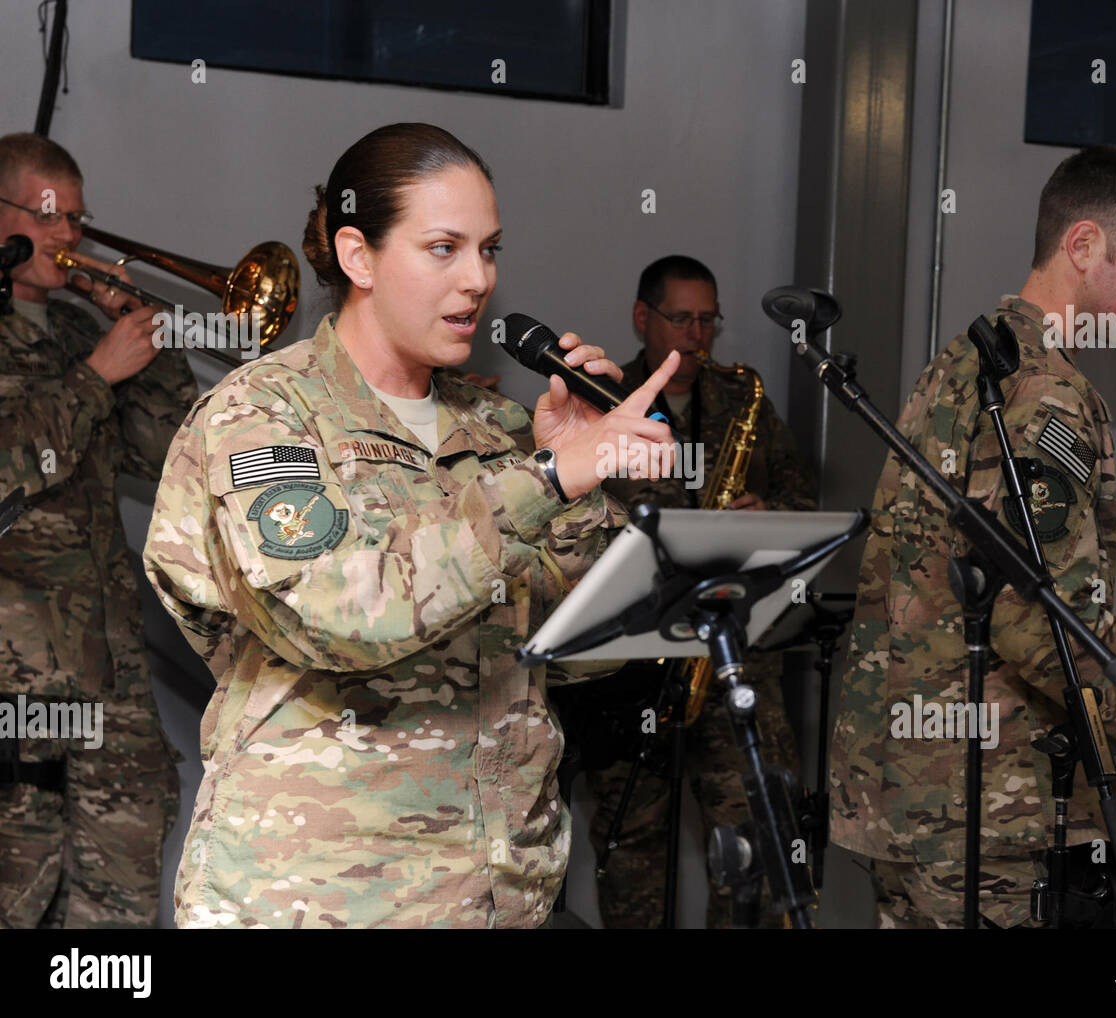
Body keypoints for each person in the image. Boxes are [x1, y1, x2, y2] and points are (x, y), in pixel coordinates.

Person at [143, 122, 679, 929]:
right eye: (443, 248)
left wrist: (581, 490)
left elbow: (572, 658)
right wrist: (543, 481)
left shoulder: (497, 428)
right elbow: (343, 615)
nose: (478, 280)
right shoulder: (265, 412)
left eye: (490, 249)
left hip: (499, 893)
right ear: (358, 256)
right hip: (320, 897)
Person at [829, 144, 1116, 929]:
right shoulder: (1046, 395)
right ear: (1083, 246)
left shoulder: (963, 363)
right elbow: (1046, 628)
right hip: (989, 811)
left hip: (908, 799)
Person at [578, 255, 818, 928]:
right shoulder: (603, 398)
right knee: (632, 856)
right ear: (641, 318)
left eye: (708, 319)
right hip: (632, 669)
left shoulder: (745, 400)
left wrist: (767, 515)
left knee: (760, 844)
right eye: (681, 318)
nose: (696, 336)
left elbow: (803, 497)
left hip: (732, 659)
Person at [0, 132, 193, 927]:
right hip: (18, 675)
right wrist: (91, 381)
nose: (69, 238)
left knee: (121, 889)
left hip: (110, 664)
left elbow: (173, 447)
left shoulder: (83, 331)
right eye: (48, 216)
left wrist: (145, 341)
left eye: (77, 219)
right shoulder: (85, 359)